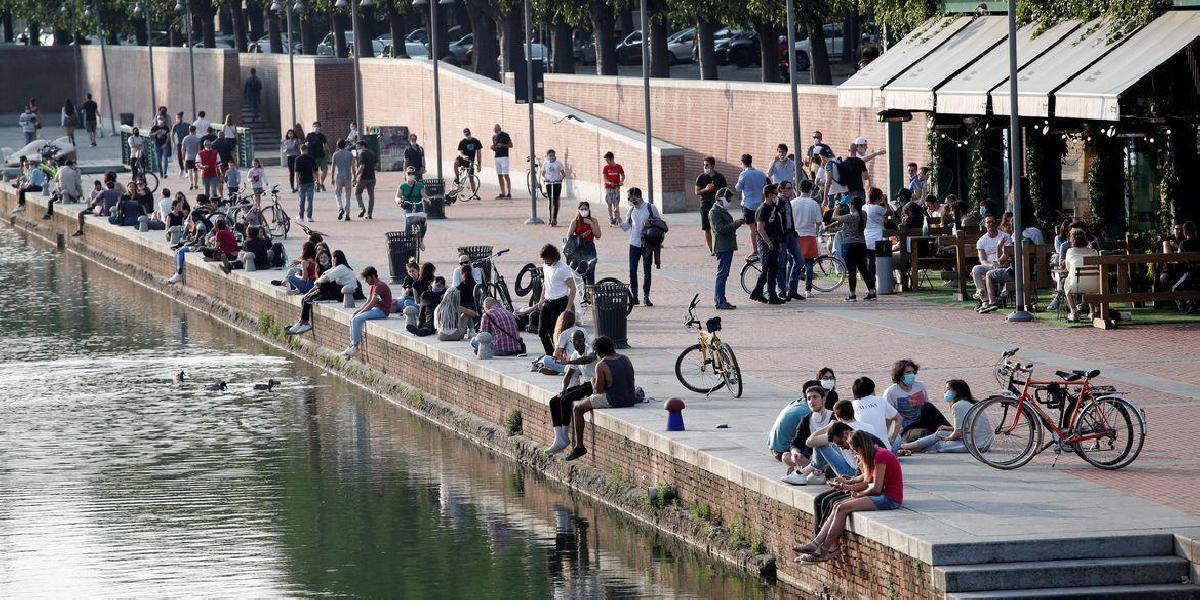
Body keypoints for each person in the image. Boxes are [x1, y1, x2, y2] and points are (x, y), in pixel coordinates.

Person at [794, 430, 903, 564]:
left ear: (861, 447)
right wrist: (847, 485)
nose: (855, 454)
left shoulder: (880, 456)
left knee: (842, 508)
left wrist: (858, 494)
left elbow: (876, 487)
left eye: (855, 451)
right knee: (837, 506)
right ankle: (815, 543)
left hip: (890, 498)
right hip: (881, 494)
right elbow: (865, 479)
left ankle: (824, 550)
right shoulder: (874, 454)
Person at [564, 336, 636, 461]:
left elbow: (598, 390)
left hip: (614, 399)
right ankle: (579, 446)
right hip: (630, 397)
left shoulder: (601, 365)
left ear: (598, 352)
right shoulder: (626, 359)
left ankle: (579, 446)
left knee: (577, 409)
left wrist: (593, 381)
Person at [545, 328, 598, 454]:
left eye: (579, 340)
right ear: (572, 342)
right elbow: (568, 376)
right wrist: (563, 389)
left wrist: (568, 361)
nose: (577, 343)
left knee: (567, 399)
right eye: (574, 341)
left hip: (594, 385)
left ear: (584, 340)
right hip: (585, 383)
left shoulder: (589, 349)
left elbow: (588, 359)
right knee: (554, 400)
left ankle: (564, 435)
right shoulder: (574, 353)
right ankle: (559, 438)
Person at [901, 380, 990, 454]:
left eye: (948, 389)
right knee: (940, 433)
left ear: (957, 391)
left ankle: (905, 447)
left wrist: (948, 438)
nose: (945, 392)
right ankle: (907, 447)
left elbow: (958, 433)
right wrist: (947, 428)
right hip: (981, 441)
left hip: (977, 444)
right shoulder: (970, 403)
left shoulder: (958, 405)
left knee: (939, 443)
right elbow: (966, 428)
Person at [286, 250, 359, 335]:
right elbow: (323, 277)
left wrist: (318, 282)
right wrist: (310, 290)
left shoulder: (342, 267)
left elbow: (327, 278)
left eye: (333, 258)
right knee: (305, 298)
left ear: (336, 259)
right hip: (338, 290)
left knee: (313, 294)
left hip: (345, 293)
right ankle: (302, 322)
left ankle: (304, 322)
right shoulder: (334, 268)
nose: (332, 260)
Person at [884, 359, 950, 442]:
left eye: (912, 372)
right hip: (907, 429)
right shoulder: (891, 392)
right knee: (927, 433)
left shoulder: (920, 386)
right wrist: (886, 438)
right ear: (900, 375)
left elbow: (927, 407)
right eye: (908, 372)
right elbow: (888, 417)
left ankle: (952, 431)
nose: (911, 375)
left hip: (923, 421)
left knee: (928, 406)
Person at [779, 385, 833, 485]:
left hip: (829, 458)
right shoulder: (806, 420)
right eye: (809, 398)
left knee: (819, 446)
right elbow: (796, 442)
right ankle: (816, 472)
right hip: (810, 459)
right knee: (786, 456)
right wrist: (795, 453)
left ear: (823, 399)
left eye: (815, 397)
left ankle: (806, 472)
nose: (812, 401)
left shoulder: (833, 417)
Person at [832, 195, 876, 301]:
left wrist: (839, 205)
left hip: (849, 245)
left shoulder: (850, 217)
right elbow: (856, 213)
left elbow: (834, 216)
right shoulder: (864, 214)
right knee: (863, 269)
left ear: (852, 205)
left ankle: (852, 294)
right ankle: (871, 291)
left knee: (851, 271)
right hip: (861, 244)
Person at [341, 267, 392, 358]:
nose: (366, 281)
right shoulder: (374, 286)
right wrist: (359, 310)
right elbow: (368, 302)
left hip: (382, 311)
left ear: (372, 276)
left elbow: (372, 304)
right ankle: (352, 344)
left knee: (356, 319)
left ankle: (355, 346)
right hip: (376, 309)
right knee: (353, 316)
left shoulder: (380, 286)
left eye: (366, 278)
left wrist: (361, 313)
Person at [167, 218, 237, 284]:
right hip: (234, 255)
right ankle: (178, 272)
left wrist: (204, 247)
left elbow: (215, 248)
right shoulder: (228, 232)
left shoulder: (203, 228)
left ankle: (178, 273)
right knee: (181, 250)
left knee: (201, 251)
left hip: (228, 255)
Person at [536, 244, 577, 355]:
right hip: (548, 302)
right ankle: (550, 354)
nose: (545, 261)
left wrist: (568, 308)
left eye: (547, 258)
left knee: (554, 332)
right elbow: (546, 283)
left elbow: (573, 288)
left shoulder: (563, 269)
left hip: (560, 302)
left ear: (553, 256)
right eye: (544, 259)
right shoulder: (545, 265)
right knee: (542, 332)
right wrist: (541, 299)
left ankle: (559, 354)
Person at [750, 183, 786, 304]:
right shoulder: (763, 209)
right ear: (770, 195)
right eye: (776, 194)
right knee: (767, 269)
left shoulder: (772, 208)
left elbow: (776, 226)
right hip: (766, 243)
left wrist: (779, 242)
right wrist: (768, 242)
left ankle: (770, 295)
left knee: (772, 270)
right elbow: (760, 228)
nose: (777, 196)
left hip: (774, 241)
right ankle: (758, 292)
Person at [709, 188, 744, 310]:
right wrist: (735, 224)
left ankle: (721, 299)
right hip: (722, 247)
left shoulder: (721, 210)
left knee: (724, 274)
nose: (729, 201)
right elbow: (719, 229)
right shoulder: (714, 212)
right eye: (728, 198)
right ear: (720, 198)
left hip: (727, 246)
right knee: (722, 274)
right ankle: (719, 301)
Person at [619, 188, 655, 306]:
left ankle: (646, 297)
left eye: (630, 197)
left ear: (637, 196)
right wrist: (618, 218)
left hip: (647, 244)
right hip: (634, 243)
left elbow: (660, 223)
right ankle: (635, 296)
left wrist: (651, 223)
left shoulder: (650, 208)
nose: (629, 200)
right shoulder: (631, 210)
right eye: (629, 198)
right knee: (632, 270)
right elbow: (626, 227)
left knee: (647, 271)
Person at [973, 215, 1013, 313]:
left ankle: (993, 300)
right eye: (988, 222)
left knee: (991, 272)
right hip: (989, 265)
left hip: (1003, 264)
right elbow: (982, 259)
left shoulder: (1005, 236)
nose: (990, 224)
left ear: (996, 223)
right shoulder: (981, 240)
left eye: (992, 222)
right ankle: (985, 301)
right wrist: (991, 265)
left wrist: (999, 262)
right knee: (976, 269)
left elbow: (1007, 254)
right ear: (985, 225)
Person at [850, 377, 902, 451]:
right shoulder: (880, 400)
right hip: (885, 449)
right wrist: (892, 439)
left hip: (863, 451)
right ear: (872, 389)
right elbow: (899, 418)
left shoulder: (853, 405)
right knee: (898, 438)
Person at [791, 180, 824, 299]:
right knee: (809, 263)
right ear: (810, 190)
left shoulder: (793, 203)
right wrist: (815, 230)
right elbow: (819, 221)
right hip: (809, 235)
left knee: (794, 263)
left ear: (799, 189)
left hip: (796, 235)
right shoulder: (814, 204)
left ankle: (791, 287)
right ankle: (808, 290)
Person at [734, 154, 769, 260]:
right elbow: (765, 185)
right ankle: (765, 246)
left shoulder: (743, 174)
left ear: (742, 162)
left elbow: (738, 188)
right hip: (759, 203)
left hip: (748, 204)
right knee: (762, 227)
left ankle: (755, 250)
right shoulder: (760, 173)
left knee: (752, 229)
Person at [1063, 227, 1100, 323]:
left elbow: (1068, 268)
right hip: (1095, 285)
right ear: (1085, 239)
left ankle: (1074, 312)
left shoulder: (1070, 251)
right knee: (1090, 286)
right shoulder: (1094, 251)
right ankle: (1092, 312)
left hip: (1077, 285)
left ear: (1072, 240)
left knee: (1067, 285)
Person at [539, 310, 587, 374]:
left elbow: (556, 355)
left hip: (572, 366)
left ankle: (559, 370)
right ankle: (559, 369)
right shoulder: (583, 330)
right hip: (585, 365)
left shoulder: (564, 333)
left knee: (546, 359)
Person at [695, 155, 727, 253]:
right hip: (705, 205)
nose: (705, 167)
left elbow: (725, 192)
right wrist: (706, 189)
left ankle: (719, 247)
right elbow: (697, 191)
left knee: (718, 227)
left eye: (707, 165)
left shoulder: (720, 177)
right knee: (706, 228)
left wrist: (724, 205)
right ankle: (711, 249)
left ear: (712, 166)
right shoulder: (701, 177)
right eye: (704, 165)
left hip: (717, 206)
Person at [567, 201, 602, 285]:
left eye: (585, 209)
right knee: (581, 273)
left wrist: (591, 224)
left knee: (590, 272)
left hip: (590, 248)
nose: (583, 211)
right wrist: (581, 236)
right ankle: (583, 295)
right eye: (581, 209)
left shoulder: (593, 220)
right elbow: (569, 237)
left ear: (589, 210)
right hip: (579, 249)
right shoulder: (575, 221)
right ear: (578, 210)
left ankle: (590, 294)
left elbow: (598, 236)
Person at [862, 187, 893, 283]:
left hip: (866, 236)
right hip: (878, 236)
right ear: (877, 198)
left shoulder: (864, 207)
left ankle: (871, 282)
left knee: (870, 260)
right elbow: (889, 212)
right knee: (879, 261)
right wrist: (885, 202)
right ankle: (879, 281)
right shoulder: (878, 208)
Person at [540, 149, 566, 226]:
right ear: (547, 156)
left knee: (555, 200)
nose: (551, 157)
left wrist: (560, 178)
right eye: (550, 156)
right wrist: (545, 178)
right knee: (550, 200)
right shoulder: (545, 164)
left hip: (556, 183)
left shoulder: (558, 163)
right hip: (548, 183)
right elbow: (542, 173)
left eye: (553, 155)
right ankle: (550, 218)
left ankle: (554, 218)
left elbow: (563, 173)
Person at [330, 140, 355, 220]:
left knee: (338, 194)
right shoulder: (350, 154)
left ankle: (341, 208)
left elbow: (333, 167)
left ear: (338, 146)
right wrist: (354, 177)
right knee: (348, 196)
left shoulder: (335, 154)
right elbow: (353, 167)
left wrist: (332, 178)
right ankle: (347, 214)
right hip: (348, 175)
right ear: (345, 145)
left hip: (339, 175)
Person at [354, 139, 378, 219]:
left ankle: (362, 208)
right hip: (372, 177)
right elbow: (376, 164)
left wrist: (356, 175)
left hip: (363, 177)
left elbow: (361, 167)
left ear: (363, 146)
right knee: (371, 196)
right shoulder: (372, 153)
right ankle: (369, 214)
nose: (357, 148)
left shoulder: (362, 154)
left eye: (358, 146)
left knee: (357, 192)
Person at [294, 143, 318, 222]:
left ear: (300, 150)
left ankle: (301, 216)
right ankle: (309, 217)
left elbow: (297, 172)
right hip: (310, 181)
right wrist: (316, 180)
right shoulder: (311, 158)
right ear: (307, 150)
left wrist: (296, 183)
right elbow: (315, 170)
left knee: (302, 200)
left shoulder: (297, 159)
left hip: (302, 181)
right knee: (310, 200)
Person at [602, 151, 625, 226]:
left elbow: (623, 176)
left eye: (607, 160)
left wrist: (621, 181)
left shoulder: (618, 167)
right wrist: (609, 183)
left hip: (616, 188)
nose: (606, 162)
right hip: (608, 188)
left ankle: (616, 218)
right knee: (609, 203)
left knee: (616, 203)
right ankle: (611, 218)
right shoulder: (606, 168)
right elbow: (604, 179)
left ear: (611, 159)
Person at [304, 121, 329, 192]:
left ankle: (321, 183)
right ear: (312, 127)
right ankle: (317, 183)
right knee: (315, 171)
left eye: (318, 126)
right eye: (315, 126)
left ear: (320, 127)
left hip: (321, 155)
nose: (317, 127)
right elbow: (305, 144)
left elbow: (326, 145)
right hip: (312, 156)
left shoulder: (322, 136)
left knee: (325, 169)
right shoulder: (309, 135)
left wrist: (328, 153)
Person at [491, 124, 513, 199]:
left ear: (499, 128)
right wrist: (493, 147)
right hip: (497, 156)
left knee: (505, 174)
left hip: (504, 156)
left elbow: (511, 145)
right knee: (499, 175)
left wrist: (502, 145)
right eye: (495, 129)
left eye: (497, 129)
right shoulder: (494, 137)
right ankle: (503, 192)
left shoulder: (505, 135)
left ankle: (509, 192)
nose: (496, 130)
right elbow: (495, 146)